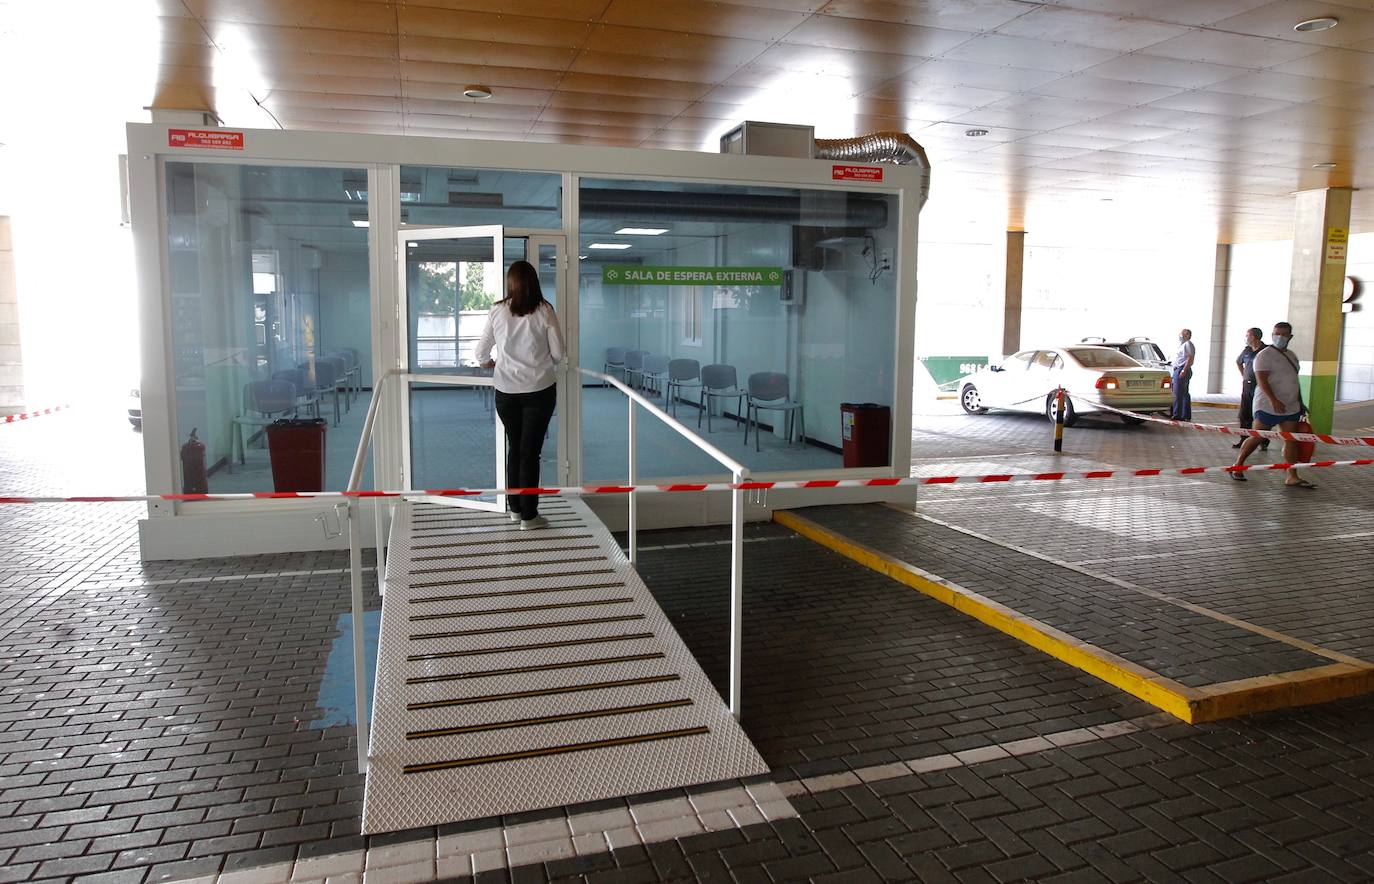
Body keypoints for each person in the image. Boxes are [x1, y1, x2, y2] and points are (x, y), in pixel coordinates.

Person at [475, 260, 566, 529]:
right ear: (534, 282)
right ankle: (530, 516)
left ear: (510, 283)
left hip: (507, 391)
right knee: (530, 453)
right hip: (539, 390)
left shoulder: (497, 310)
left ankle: (515, 510)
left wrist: (491, 364)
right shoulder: (544, 310)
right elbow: (559, 354)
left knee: (515, 449)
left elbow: (481, 354)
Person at [1231, 321, 1313, 488]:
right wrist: (1274, 400)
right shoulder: (1264, 355)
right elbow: (1261, 380)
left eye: (1283, 334)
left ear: (1290, 337)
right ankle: (1237, 466)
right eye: (1276, 334)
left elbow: (1294, 380)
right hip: (1267, 405)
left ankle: (1292, 475)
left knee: (1291, 440)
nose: (1279, 337)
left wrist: (1300, 402)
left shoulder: (1291, 355)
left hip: (1291, 406)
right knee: (1257, 436)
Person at [1233, 327, 1268, 451]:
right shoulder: (1246, 351)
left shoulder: (1266, 351)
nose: (1246, 338)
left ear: (1253, 337)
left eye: (1247, 335)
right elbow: (1238, 362)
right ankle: (1243, 439)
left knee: (1260, 415)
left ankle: (1263, 440)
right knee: (1244, 414)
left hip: (1261, 386)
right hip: (1247, 386)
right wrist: (1244, 375)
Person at [1171, 328, 1196, 420]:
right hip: (1180, 369)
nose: (1180, 336)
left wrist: (1183, 370)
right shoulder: (1183, 345)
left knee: (1178, 393)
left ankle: (1178, 414)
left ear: (1187, 335)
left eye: (1181, 334)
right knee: (1184, 393)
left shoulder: (1188, 344)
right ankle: (1185, 414)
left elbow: (1190, 358)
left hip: (1182, 370)